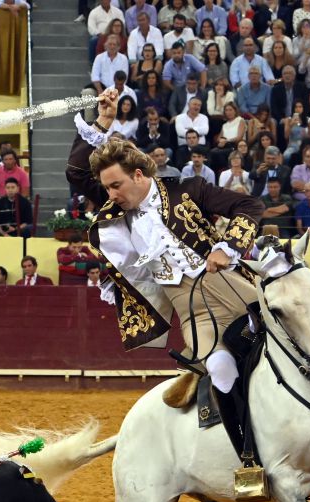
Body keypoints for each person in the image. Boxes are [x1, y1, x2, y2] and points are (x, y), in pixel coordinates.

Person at [65, 87, 262, 393]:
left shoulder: (188, 190)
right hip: (188, 307)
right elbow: (75, 172)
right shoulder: (115, 206)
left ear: (139, 175)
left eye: (116, 185)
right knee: (219, 369)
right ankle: (241, 440)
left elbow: (249, 206)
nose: (111, 195)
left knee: (279, 335)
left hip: (227, 282)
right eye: (106, 189)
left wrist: (229, 246)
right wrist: (103, 121)